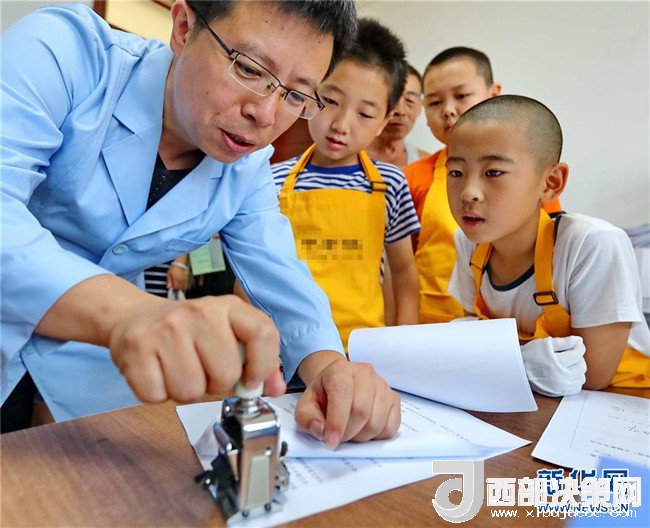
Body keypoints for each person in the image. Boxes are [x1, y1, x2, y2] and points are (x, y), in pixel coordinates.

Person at [0, 0, 401, 446]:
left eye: (294, 96)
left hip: (81, 370)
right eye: (249, 69)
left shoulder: (247, 169)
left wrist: (331, 370)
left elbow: (283, 275)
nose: (266, 115)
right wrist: (130, 312)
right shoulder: (65, 52)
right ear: (183, 27)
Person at [446, 95, 650, 396]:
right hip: (531, 398)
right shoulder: (470, 243)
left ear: (551, 182)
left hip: (621, 401)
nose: (468, 192)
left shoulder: (591, 245)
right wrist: (518, 361)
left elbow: (594, 375)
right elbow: (473, 335)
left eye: (493, 172)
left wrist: (497, 358)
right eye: (456, 173)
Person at [271, 18, 420, 350]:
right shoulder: (275, 180)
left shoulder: (390, 183)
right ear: (310, 93)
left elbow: (403, 271)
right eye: (331, 101)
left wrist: (405, 345)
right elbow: (258, 271)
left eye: (364, 115)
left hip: (363, 348)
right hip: (288, 347)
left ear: (383, 121)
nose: (341, 124)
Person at [405, 47, 563, 325]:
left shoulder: (528, 177)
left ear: (493, 93)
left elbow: (547, 250)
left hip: (506, 322)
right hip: (431, 323)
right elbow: (404, 264)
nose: (448, 110)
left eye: (461, 96)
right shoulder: (413, 176)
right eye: (434, 102)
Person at [365, 64, 430, 167]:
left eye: (410, 100)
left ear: (420, 107)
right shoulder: (348, 157)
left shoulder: (428, 165)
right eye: (393, 99)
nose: (400, 111)